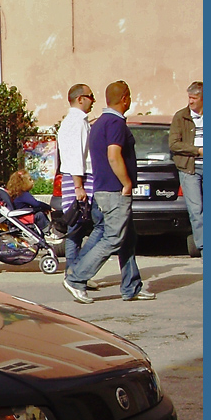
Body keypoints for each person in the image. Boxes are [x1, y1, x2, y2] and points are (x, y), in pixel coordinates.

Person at [63, 81, 155, 304]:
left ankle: (131, 286)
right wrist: (126, 183)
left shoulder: (99, 123)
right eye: (130, 96)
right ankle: (76, 278)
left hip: (104, 189)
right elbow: (114, 155)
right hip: (114, 191)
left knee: (127, 239)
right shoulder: (114, 122)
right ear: (124, 98)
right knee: (113, 238)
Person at [56, 84, 103, 285]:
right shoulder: (77, 122)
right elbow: (77, 155)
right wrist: (79, 186)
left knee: (78, 228)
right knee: (83, 226)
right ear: (80, 99)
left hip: (77, 178)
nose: (93, 101)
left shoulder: (73, 121)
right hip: (80, 179)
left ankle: (75, 271)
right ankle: (76, 271)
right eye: (91, 97)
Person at [169, 81, 203, 256]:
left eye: (194, 98)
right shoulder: (181, 116)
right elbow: (174, 144)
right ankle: (205, 249)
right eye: (189, 97)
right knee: (196, 210)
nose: (190, 101)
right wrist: (197, 150)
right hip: (190, 169)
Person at [4, 170, 56, 237]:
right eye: (30, 179)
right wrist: (48, 207)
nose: (32, 181)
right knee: (40, 215)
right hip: (24, 217)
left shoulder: (15, 194)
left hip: (18, 216)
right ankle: (49, 233)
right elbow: (36, 204)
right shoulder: (23, 194)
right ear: (23, 183)